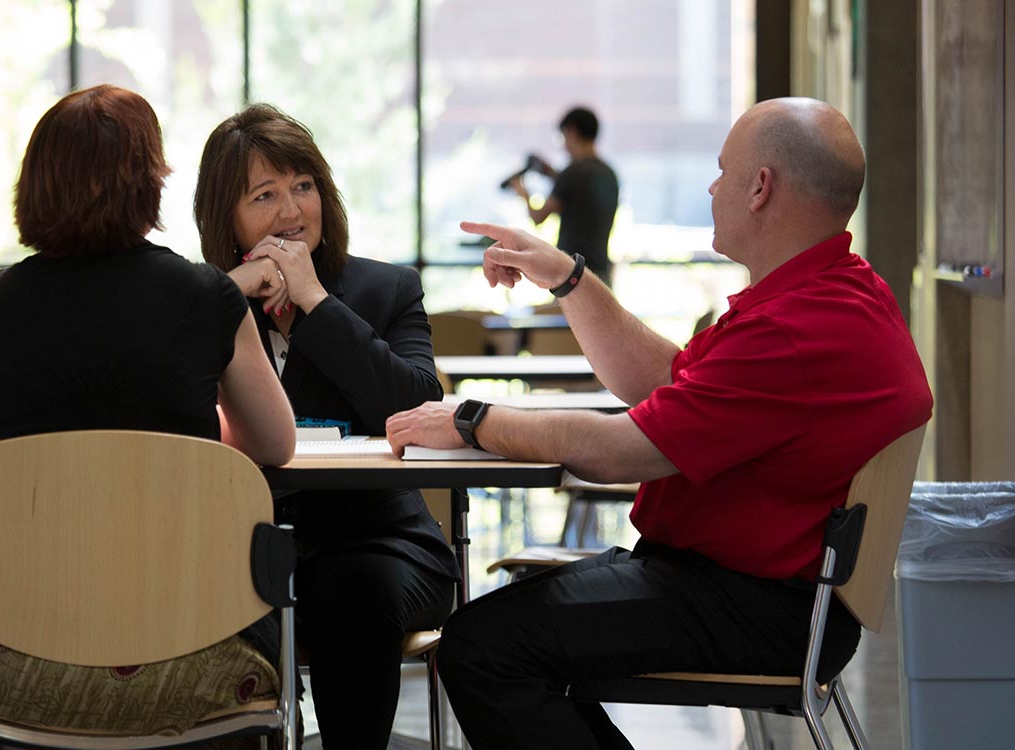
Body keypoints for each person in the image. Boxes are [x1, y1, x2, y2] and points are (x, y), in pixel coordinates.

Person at [387, 97, 934, 749]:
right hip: (771, 592)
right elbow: (670, 380)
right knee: (509, 633)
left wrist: (473, 418)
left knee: (483, 646)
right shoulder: (837, 294)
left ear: (760, 189)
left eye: (722, 171)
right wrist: (568, 278)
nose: (711, 186)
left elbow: (620, 454)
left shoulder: (795, 331)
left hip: (750, 602)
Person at [0, 85, 296, 749]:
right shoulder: (206, 295)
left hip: (22, 645)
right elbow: (273, 445)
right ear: (150, 181)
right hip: (194, 639)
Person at [193, 103, 458, 749]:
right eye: (265, 195)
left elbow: (417, 407)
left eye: (303, 187)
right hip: (236, 545)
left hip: (378, 542)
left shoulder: (385, 289)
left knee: (349, 587)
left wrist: (315, 302)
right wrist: (226, 301)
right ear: (226, 216)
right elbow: (164, 409)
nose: (291, 212)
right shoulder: (200, 298)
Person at [508, 106, 620, 283]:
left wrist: (523, 192)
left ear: (571, 132)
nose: (563, 145)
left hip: (573, 275)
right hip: (601, 271)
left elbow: (538, 218)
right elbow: (583, 199)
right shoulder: (608, 173)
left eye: (562, 137)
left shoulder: (572, 173)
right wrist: (552, 174)